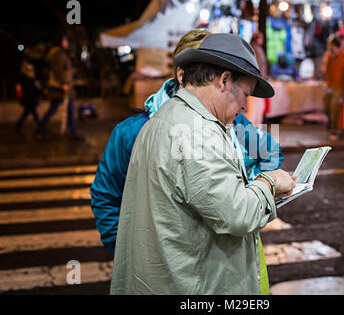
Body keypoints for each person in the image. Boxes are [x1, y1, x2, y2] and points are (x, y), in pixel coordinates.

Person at [91, 30, 283, 294]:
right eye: (246, 94)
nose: (244, 106)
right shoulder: (195, 133)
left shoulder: (164, 117)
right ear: (225, 80)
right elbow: (239, 215)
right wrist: (268, 182)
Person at [36, 34, 83, 140]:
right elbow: (58, 70)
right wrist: (63, 84)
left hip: (61, 89)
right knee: (57, 109)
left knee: (65, 109)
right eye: (65, 41)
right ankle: (40, 129)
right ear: (60, 42)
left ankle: (72, 132)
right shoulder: (58, 54)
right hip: (60, 89)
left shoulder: (59, 53)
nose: (67, 43)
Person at [322, 37, 344, 140]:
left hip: (339, 87)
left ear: (337, 47)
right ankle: (330, 122)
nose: (330, 49)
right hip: (329, 85)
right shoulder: (328, 56)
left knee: (334, 107)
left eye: (332, 47)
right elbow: (324, 69)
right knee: (326, 106)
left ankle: (334, 130)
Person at [15, 61, 41, 135]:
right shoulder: (24, 80)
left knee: (26, 114)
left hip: (31, 100)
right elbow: (19, 90)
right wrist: (21, 98)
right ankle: (40, 127)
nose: (32, 72)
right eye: (30, 71)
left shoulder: (32, 79)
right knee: (34, 115)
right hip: (28, 100)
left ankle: (18, 127)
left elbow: (36, 89)